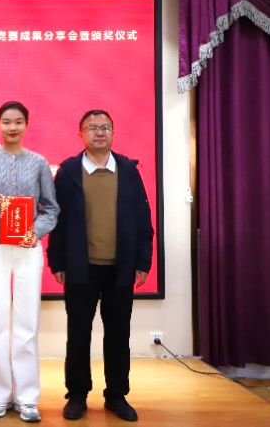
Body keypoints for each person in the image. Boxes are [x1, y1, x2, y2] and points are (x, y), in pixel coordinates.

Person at [47, 109, 154, 422]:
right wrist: (57, 261)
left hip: (120, 268)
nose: (99, 132)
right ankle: (77, 395)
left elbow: (143, 219)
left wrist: (143, 261)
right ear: (80, 134)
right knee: (78, 334)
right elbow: (57, 220)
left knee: (118, 334)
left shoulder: (128, 170)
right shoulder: (68, 172)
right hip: (80, 268)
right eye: (92, 127)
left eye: (105, 127)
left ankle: (116, 395)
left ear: (113, 133)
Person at [0, 101, 59, 423]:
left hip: (27, 248)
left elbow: (51, 208)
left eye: (18, 121)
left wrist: (35, 232)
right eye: (7, 122)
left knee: (26, 321)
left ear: (26, 125)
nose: (12, 127)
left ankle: (27, 398)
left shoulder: (38, 163)